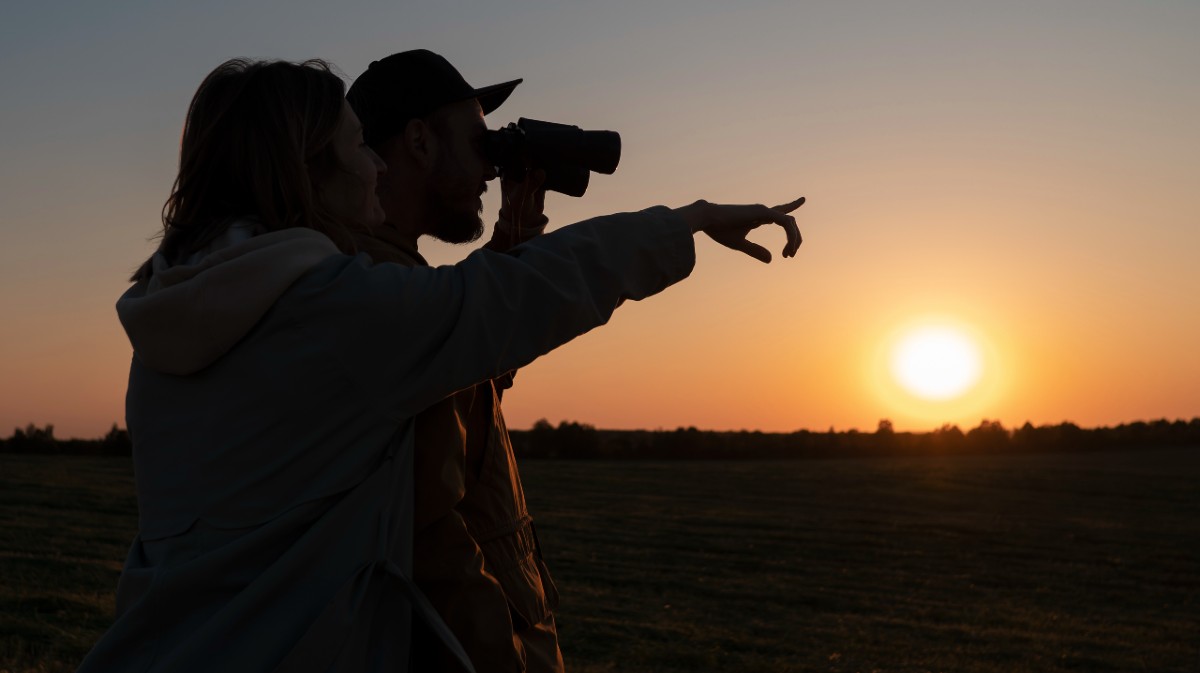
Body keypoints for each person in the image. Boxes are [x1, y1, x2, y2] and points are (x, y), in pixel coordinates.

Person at [77, 57, 804, 673]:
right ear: (309, 170)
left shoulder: (189, 305)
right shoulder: (334, 310)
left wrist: (518, 225)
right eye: (359, 146)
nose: (374, 166)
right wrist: (690, 220)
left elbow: (437, 350)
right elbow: (501, 303)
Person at [342, 49, 561, 673]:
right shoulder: (383, 294)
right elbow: (435, 544)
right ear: (418, 141)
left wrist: (516, 239)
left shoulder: (392, 278)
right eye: (478, 141)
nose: (491, 169)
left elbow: (469, 388)